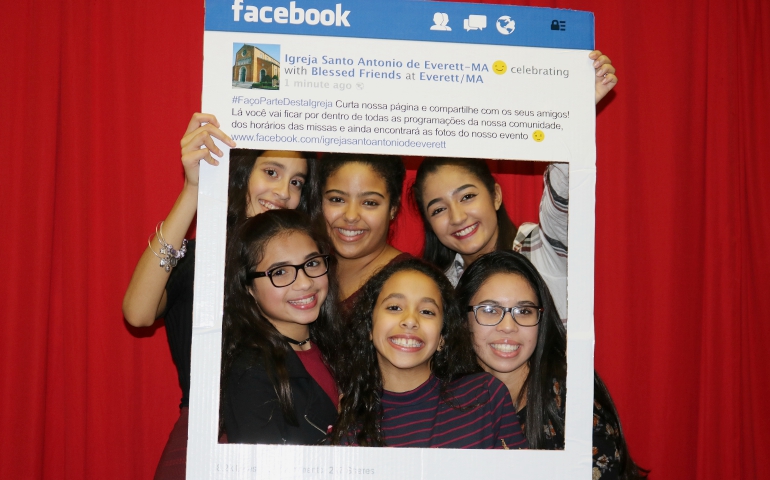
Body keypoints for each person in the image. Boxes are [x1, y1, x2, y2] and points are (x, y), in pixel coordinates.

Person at [122, 113, 315, 478]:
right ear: (243, 174)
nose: (284, 192)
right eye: (271, 172)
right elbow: (138, 313)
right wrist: (195, 188)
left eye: (297, 182)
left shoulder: (309, 271)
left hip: (293, 435)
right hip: (207, 438)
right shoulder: (200, 259)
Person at [411, 50, 617, 321]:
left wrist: (574, 117)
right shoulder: (434, 288)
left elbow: (562, 196)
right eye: (438, 209)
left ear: (495, 195)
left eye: (467, 196)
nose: (457, 217)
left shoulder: (543, 249)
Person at [455, 251, 647, 478]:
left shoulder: (572, 397)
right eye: (489, 310)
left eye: (524, 311)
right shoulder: (443, 394)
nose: (508, 326)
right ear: (462, 319)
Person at [330, 258, 527, 449]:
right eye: (394, 307)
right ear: (369, 328)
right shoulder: (350, 419)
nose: (410, 320)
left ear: (443, 336)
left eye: (427, 311)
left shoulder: (486, 397)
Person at [221, 210, 340, 444]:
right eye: (280, 272)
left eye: (312, 263)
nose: (305, 282)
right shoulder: (251, 373)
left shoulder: (338, 347)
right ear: (248, 287)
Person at [313, 153, 412, 308]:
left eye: (369, 202)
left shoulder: (411, 282)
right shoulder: (310, 269)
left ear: (393, 208)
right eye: (337, 199)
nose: (351, 216)